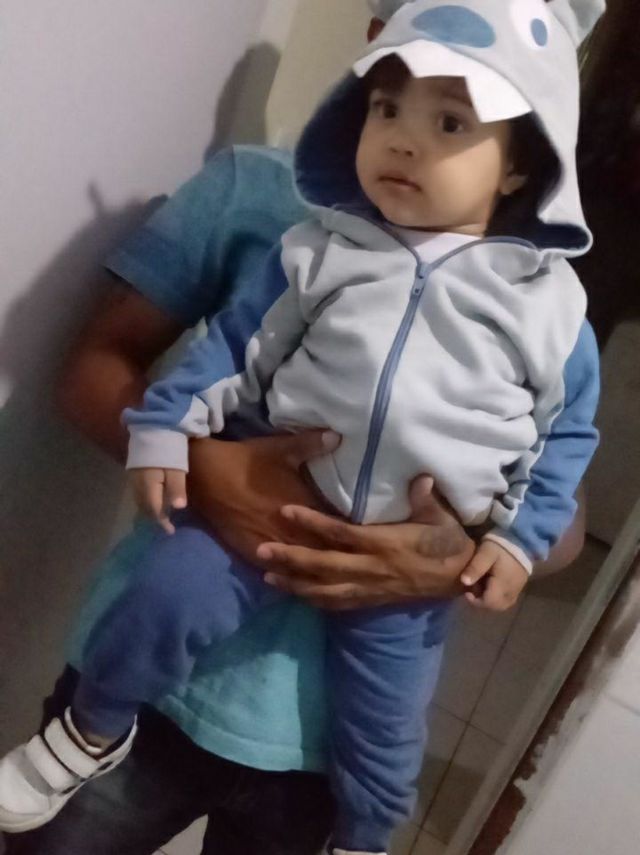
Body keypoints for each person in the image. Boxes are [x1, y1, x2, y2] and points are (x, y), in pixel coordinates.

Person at [0, 1, 595, 853]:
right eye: (390, 107)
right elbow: (102, 365)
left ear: (520, 152)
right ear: (380, 38)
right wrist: (205, 467)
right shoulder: (278, 211)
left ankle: (366, 836)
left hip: (319, 744)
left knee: (384, 751)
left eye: (453, 119)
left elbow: (559, 474)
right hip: (158, 678)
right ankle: (87, 731)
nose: (407, 141)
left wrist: (477, 550)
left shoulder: (543, 300)